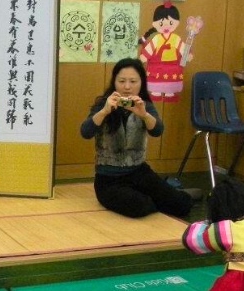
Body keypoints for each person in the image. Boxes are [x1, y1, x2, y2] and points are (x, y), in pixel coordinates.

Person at [80, 58, 194, 219]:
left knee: (182, 205)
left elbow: (157, 131)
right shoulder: (104, 104)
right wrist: (104, 111)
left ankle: (176, 195)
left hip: (138, 172)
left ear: (141, 83)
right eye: (122, 81)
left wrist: (144, 115)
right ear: (114, 82)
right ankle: (156, 196)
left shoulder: (144, 104)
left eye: (133, 81)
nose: (127, 86)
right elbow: (85, 132)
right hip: (108, 180)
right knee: (141, 207)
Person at [138, 1, 192, 102]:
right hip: (157, 69)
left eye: (171, 23)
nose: (166, 26)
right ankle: (155, 94)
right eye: (161, 23)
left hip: (172, 69)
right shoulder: (156, 38)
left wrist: (187, 55)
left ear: (177, 22)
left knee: (170, 88)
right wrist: (144, 57)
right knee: (155, 88)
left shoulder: (176, 38)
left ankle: (170, 94)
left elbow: (183, 49)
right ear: (154, 24)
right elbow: (150, 49)